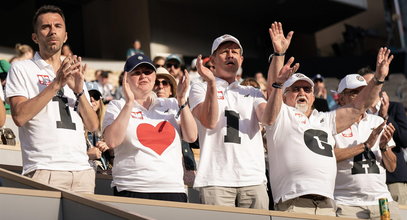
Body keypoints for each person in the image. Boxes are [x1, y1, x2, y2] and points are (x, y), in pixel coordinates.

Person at [262, 21, 393, 215]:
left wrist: (378, 80)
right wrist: (279, 57)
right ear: (283, 95)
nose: (302, 92)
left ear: (314, 96)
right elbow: (274, 89)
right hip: (294, 202)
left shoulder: (324, 119)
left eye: (307, 89)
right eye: (295, 89)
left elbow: (359, 107)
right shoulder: (281, 116)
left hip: (327, 204)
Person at [5, 5, 98, 193]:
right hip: (44, 168)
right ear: (35, 37)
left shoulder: (73, 70)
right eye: (45, 27)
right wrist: (56, 83)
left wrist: (80, 91)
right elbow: (20, 117)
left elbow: (93, 125)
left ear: (65, 35)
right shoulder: (22, 68)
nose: (52, 30)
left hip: (82, 171)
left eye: (58, 26)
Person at [103, 54, 197, 202]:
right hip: (132, 188)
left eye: (147, 72)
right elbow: (111, 141)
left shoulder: (171, 104)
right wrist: (129, 103)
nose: (143, 76)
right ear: (126, 78)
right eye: (137, 72)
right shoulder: (118, 106)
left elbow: (191, 136)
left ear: (154, 76)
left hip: (172, 188)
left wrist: (182, 100)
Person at [189, 34, 268, 209]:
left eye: (235, 52)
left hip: (253, 179)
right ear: (213, 60)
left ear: (241, 59)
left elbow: (268, 119)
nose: (230, 55)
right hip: (215, 180)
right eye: (225, 52)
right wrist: (211, 83)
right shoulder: (199, 87)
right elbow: (209, 121)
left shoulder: (253, 92)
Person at [333, 74, 400, 219]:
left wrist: (383, 147)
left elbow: (392, 167)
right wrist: (365, 145)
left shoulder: (377, 122)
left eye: (364, 92)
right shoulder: (330, 123)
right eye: (355, 92)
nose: (361, 96)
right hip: (347, 204)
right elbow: (329, 158)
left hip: (382, 201)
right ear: (341, 97)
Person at [361, 70, 407, 205]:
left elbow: (404, 140)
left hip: (394, 179)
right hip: (369, 181)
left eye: (372, 82)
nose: (369, 87)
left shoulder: (395, 108)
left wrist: (385, 116)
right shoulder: (358, 113)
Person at [85, 81, 112, 174]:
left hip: (104, 173)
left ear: (100, 101)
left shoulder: (106, 124)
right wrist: (87, 155)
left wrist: (110, 147)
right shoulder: (76, 123)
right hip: (84, 173)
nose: (92, 100)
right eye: (88, 96)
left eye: (96, 96)